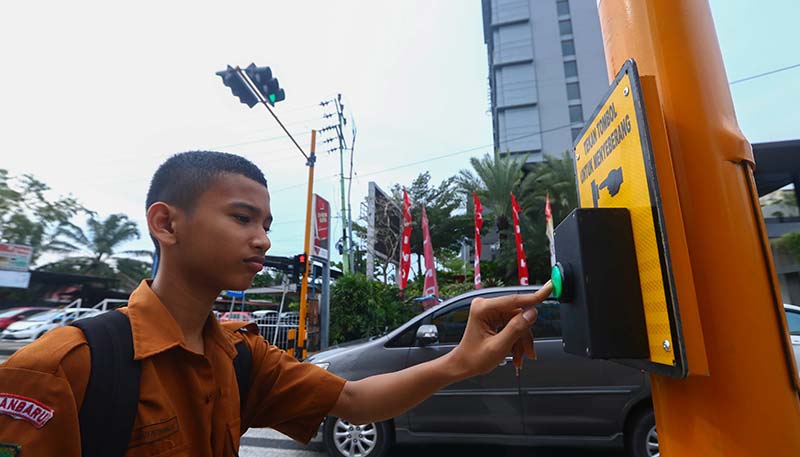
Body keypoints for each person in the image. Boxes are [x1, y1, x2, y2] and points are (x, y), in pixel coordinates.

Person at [0, 151, 551, 456]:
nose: (263, 238)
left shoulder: (240, 357)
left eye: (265, 223)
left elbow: (355, 401)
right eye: (242, 219)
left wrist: (462, 361)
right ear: (166, 223)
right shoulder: (63, 368)